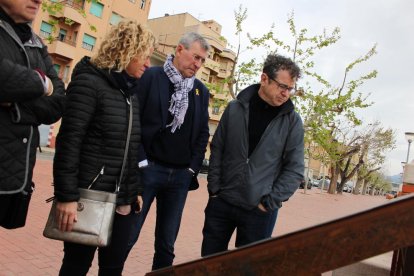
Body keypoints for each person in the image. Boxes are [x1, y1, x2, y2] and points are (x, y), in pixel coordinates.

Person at [52, 20, 156, 275]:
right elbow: (69, 141)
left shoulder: (130, 92)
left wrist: (135, 190)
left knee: (113, 267)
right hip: (89, 198)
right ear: (126, 50)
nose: (147, 64)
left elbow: (131, 147)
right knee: (76, 266)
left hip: (123, 201)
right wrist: (66, 197)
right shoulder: (89, 83)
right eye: (143, 55)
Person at [201, 54, 304, 257]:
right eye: (282, 86)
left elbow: (295, 169)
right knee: (209, 265)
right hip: (222, 202)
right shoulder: (235, 108)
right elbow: (218, 148)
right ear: (264, 79)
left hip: (259, 211)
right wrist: (214, 189)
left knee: (249, 269)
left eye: (290, 89)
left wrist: (269, 202)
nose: (286, 94)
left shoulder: (292, 121)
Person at [127, 32, 210, 270]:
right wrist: (141, 162)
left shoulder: (200, 92)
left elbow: (203, 133)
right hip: (147, 171)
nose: (198, 64)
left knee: (166, 245)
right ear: (179, 50)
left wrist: (192, 168)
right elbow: (134, 121)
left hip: (179, 178)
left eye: (202, 60)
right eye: (195, 57)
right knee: (128, 236)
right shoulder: (151, 77)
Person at [0, 0, 65, 228]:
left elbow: (57, 103)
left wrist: (15, 105)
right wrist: (41, 81)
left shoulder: (35, 41)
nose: (38, 0)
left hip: (15, 178)